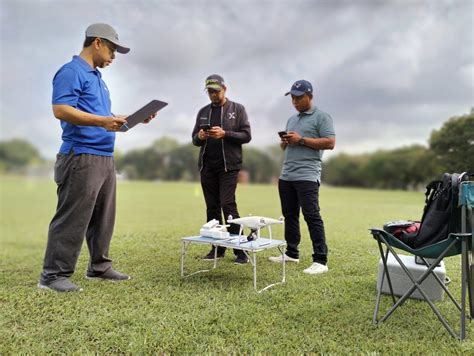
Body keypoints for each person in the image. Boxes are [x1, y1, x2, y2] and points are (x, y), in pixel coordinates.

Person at [38, 23, 155, 292]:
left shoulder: (97, 78)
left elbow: (102, 117)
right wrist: (103, 121)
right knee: (73, 216)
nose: (114, 56)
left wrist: (129, 119)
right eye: (113, 49)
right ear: (98, 43)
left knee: (103, 216)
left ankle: (99, 267)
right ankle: (53, 276)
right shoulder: (71, 72)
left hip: (104, 156)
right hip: (81, 155)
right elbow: (61, 109)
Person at [269, 80, 335, 275]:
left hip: (307, 175)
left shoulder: (322, 117)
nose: (295, 101)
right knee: (290, 216)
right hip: (287, 174)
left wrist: (302, 140)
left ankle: (321, 260)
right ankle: (291, 253)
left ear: (310, 96)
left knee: (312, 216)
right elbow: (288, 146)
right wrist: (286, 142)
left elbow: (330, 142)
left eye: (299, 97)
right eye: (292, 98)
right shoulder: (291, 119)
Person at [192, 74, 252, 264]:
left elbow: (246, 135)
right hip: (207, 167)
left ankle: (240, 250)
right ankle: (217, 249)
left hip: (229, 167)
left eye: (216, 91)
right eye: (209, 91)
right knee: (212, 208)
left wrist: (225, 133)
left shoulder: (237, 109)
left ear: (224, 89)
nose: (213, 95)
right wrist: (201, 136)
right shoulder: (203, 111)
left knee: (228, 204)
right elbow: (194, 139)